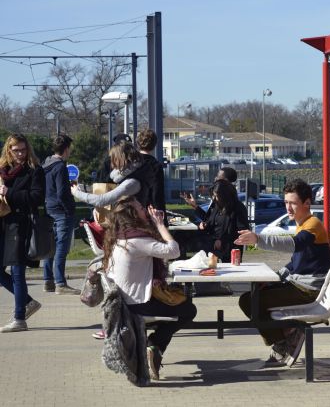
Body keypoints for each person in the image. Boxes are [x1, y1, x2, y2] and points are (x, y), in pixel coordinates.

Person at [235, 178, 330, 366]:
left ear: (307, 203)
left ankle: (284, 340)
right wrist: (274, 278)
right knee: (252, 297)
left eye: (293, 203)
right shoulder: (302, 223)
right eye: (286, 202)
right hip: (300, 285)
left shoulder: (312, 225)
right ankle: (287, 334)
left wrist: (258, 239)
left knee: (249, 301)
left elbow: (293, 245)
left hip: (307, 291)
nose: (288, 207)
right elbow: (295, 262)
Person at [102, 196, 197, 380]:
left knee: (174, 311)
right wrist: (160, 224)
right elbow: (174, 250)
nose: (144, 209)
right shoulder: (137, 241)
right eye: (140, 207)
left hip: (126, 302)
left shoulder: (119, 237)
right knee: (188, 310)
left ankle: (155, 347)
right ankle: (155, 345)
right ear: (132, 215)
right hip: (137, 305)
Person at [0, 134, 45, 333]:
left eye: (23, 150)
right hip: (3, 222)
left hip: (22, 223)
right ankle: (27, 302)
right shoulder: (3, 170)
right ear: (8, 150)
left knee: (18, 271)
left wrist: (9, 193)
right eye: (15, 150)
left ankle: (19, 318)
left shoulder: (35, 170)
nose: (19, 154)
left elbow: (36, 198)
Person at [41, 134, 80, 294]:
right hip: (61, 211)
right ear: (65, 149)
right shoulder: (60, 167)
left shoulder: (46, 165)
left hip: (49, 208)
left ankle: (48, 281)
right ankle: (60, 283)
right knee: (61, 249)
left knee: (50, 247)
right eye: (69, 149)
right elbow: (62, 193)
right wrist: (70, 208)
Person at [72, 141, 154, 208]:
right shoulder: (133, 174)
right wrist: (83, 188)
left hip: (130, 225)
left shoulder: (131, 182)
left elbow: (101, 200)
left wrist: (76, 193)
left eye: (114, 159)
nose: (112, 163)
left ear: (121, 159)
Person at [197, 179, 249, 263]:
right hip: (212, 247)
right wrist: (204, 225)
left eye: (217, 196)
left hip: (231, 249)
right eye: (214, 196)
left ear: (225, 196)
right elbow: (210, 221)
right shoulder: (217, 206)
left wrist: (222, 240)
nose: (215, 199)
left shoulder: (238, 207)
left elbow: (242, 231)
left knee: (231, 273)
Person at [136, 129, 166, 214]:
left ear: (138, 143)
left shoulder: (130, 163)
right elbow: (157, 193)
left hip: (131, 211)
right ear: (154, 145)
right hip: (148, 211)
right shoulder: (155, 166)